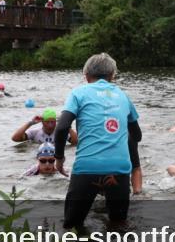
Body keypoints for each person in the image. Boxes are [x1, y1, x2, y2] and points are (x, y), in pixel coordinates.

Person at [53, 53, 143, 230]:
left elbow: (62, 127)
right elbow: (137, 135)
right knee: (118, 226)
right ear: (112, 76)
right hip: (119, 169)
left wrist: (59, 158)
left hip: (87, 167)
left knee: (72, 226)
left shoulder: (78, 93)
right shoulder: (123, 96)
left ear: (86, 76)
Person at [11, 109, 77, 146]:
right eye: (47, 122)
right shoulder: (35, 132)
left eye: (52, 122)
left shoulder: (61, 133)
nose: (50, 125)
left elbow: (76, 142)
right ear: (42, 122)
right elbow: (15, 138)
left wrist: (66, 124)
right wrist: (30, 123)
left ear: (56, 122)